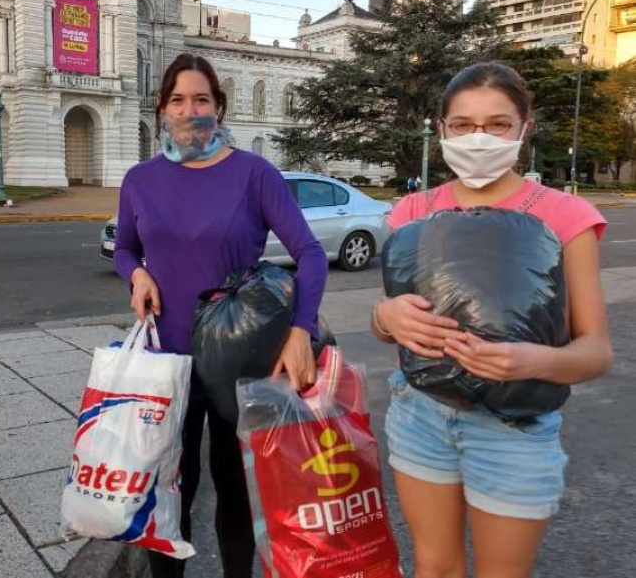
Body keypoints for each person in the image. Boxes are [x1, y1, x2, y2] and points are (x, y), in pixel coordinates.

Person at [371, 62, 613, 578]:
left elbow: (596, 351)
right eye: (462, 125)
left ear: (525, 129)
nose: (478, 138)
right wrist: (385, 315)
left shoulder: (565, 215)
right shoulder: (411, 211)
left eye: (498, 124)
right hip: (420, 414)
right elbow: (387, 324)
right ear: (441, 129)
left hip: (514, 430)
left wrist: (534, 361)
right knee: (434, 568)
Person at [114, 53, 328, 578]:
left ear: (219, 107)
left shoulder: (254, 174)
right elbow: (125, 247)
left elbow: (310, 253)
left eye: (202, 100)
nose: (190, 111)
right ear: (162, 108)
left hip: (239, 363)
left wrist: (300, 330)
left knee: (235, 490)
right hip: (168, 364)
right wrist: (136, 275)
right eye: (178, 100)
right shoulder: (140, 179)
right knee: (168, 491)